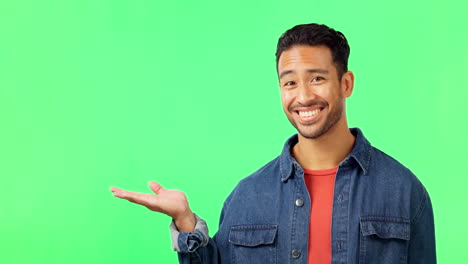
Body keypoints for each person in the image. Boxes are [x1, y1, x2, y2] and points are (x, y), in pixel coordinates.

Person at [110, 23, 436, 264]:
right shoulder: (246, 196)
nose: (303, 95)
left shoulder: (404, 191)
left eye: (317, 78)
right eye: (290, 82)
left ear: (346, 83)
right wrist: (185, 220)